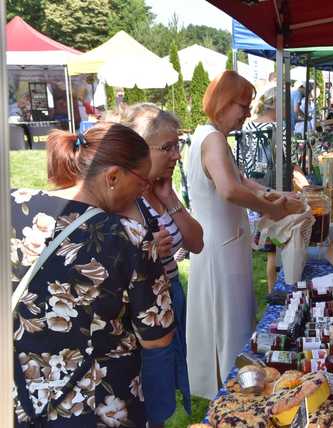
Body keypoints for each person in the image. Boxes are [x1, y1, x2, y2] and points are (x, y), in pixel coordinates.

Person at [11, 122, 175, 427]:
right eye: (141, 183)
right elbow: (157, 337)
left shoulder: (13, 205)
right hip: (99, 406)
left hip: (20, 398)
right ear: (112, 176)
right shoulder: (131, 236)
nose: (144, 191)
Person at [186, 70, 290, 399]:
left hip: (222, 242)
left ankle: (232, 383)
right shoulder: (213, 138)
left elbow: (243, 181)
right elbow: (230, 190)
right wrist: (271, 208)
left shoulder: (209, 136)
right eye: (244, 106)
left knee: (228, 317)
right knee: (227, 321)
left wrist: (272, 195)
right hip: (220, 246)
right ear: (225, 103)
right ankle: (234, 389)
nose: (247, 113)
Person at [111, 103, 205, 426]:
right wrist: (147, 247)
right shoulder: (124, 199)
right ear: (139, 148)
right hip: (143, 320)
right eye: (168, 147)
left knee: (164, 395)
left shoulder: (160, 190)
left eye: (177, 145)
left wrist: (170, 199)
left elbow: (196, 242)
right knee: (150, 403)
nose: (177, 154)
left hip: (171, 298)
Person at [243, 87, 279, 291]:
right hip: (273, 190)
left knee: (267, 247)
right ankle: (274, 290)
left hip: (252, 190)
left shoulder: (248, 126)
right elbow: (288, 162)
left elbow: (242, 161)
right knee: (275, 248)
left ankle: (270, 290)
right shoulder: (276, 128)